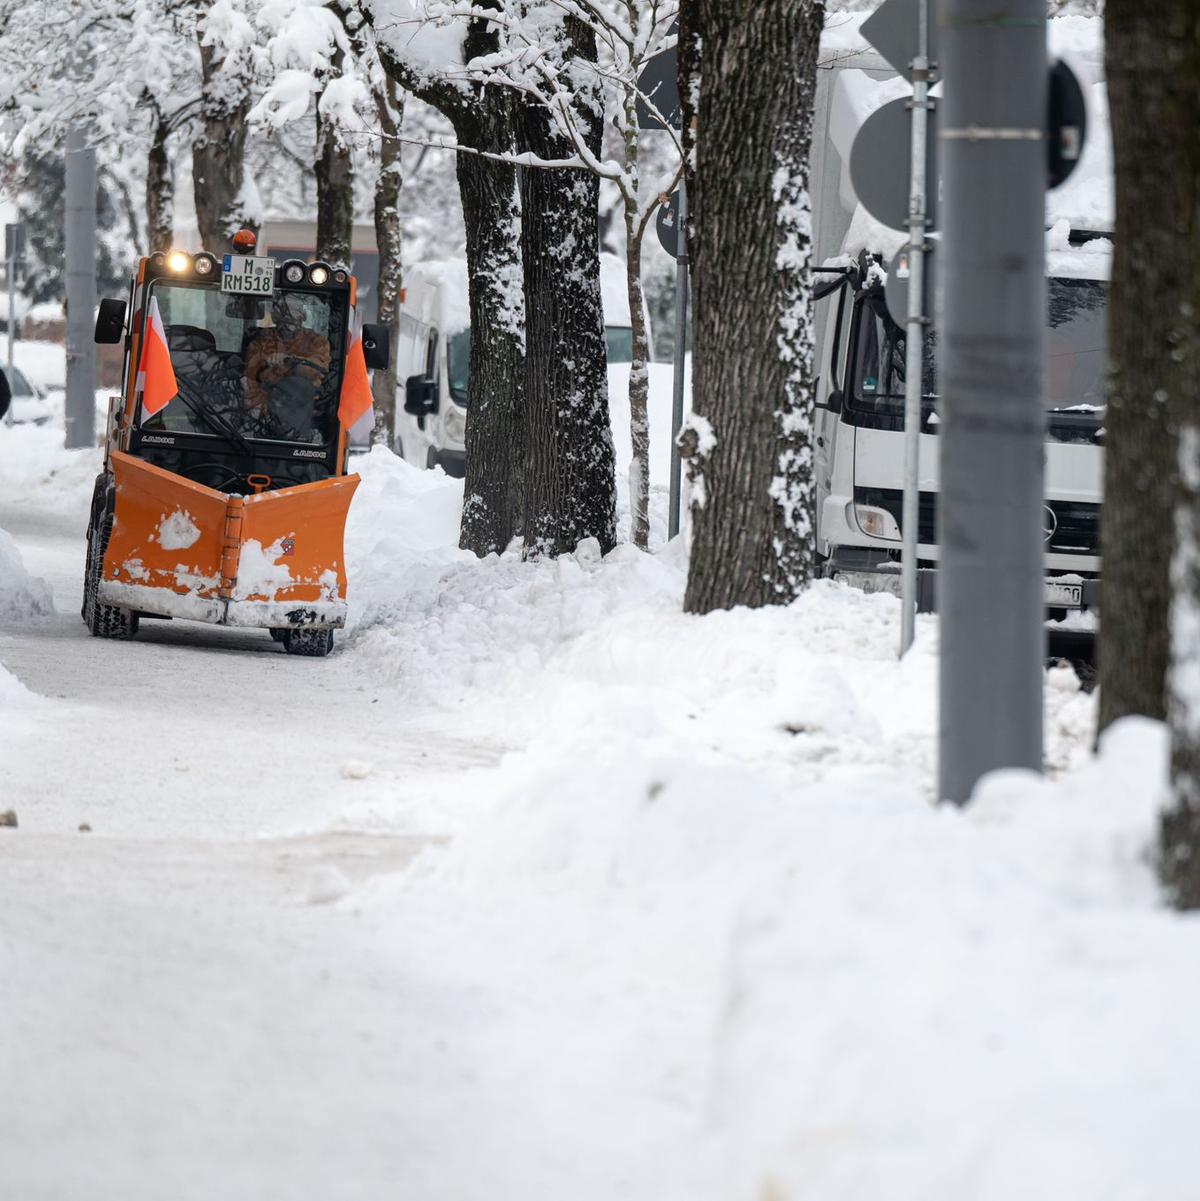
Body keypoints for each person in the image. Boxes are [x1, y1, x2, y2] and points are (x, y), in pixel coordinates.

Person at [244, 294, 331, 417]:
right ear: (274, 316)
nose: (288, 317)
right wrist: (260, 414)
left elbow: (317, 370)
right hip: (269, 411)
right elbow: (251, 384)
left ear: (303, 315)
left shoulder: (316, 341)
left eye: (294, 311)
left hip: (305, 411)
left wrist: (289, 360)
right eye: (282, 311)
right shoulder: (260, 344)